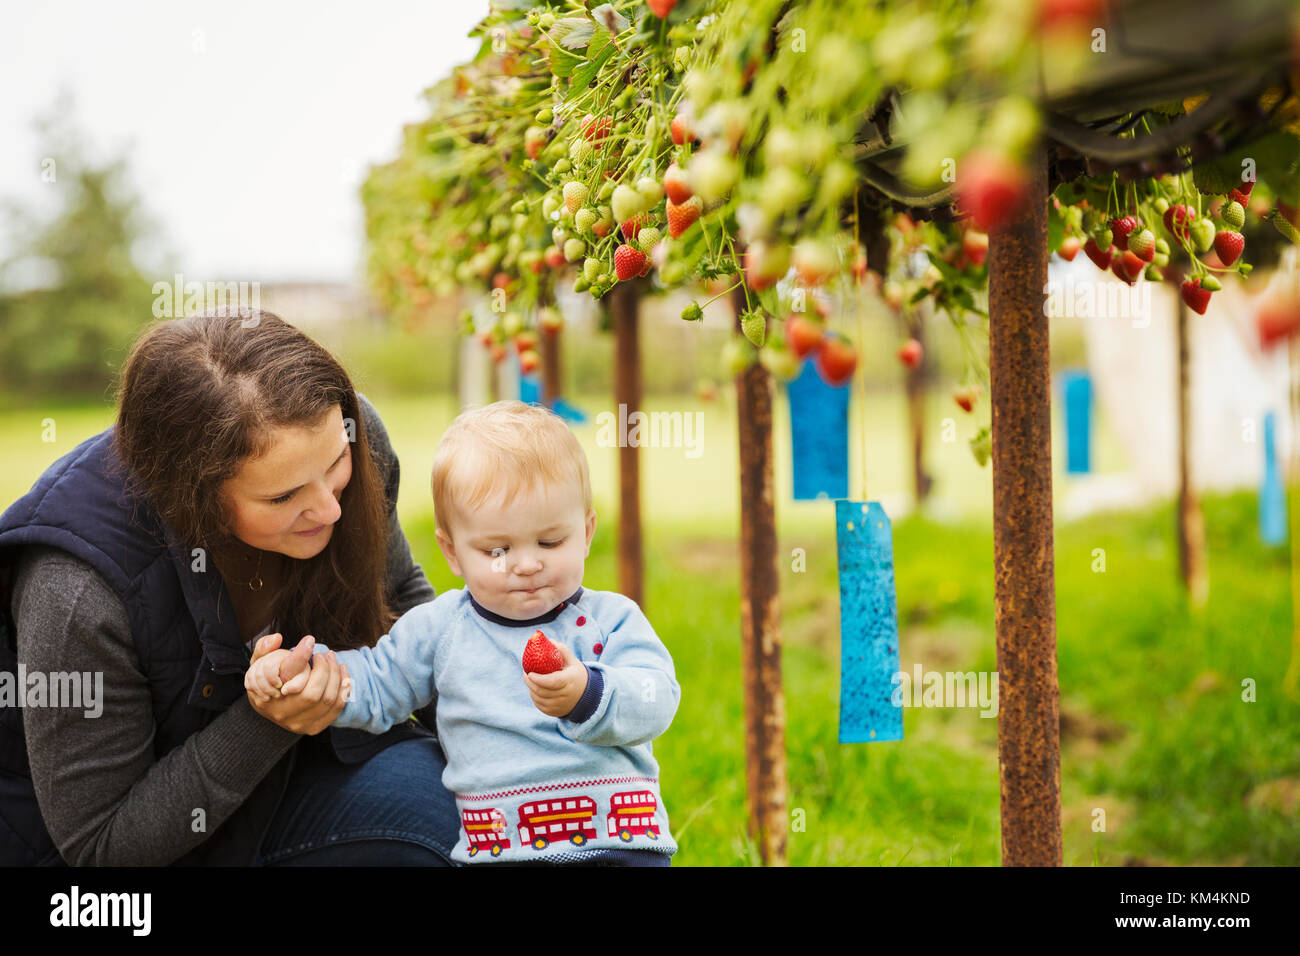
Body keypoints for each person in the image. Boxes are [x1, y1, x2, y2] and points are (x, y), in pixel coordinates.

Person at [0, 309, 460, 866]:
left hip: (308, 768)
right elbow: (103, 846)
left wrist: (518, 740)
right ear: (192, 497)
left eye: (336, 462)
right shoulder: (76, 593)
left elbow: (399, 600)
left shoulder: (351, 434)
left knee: (476, 820)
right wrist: (266, 721)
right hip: (152, 846)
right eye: (283, 497)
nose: (331, 507)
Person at [246, 401, 680, 866]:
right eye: (497, 549)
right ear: (452, 552)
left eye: (551, 542)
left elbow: (655, 697)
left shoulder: (611, 618)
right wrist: (307, 672)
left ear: (587, 531)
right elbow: (376, 680)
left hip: (620, 842)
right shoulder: (441, 628)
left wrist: (591, 692)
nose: (527, 563)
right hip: (500, 850)